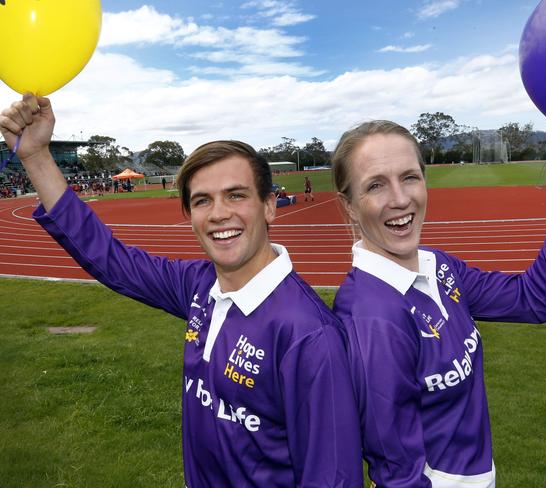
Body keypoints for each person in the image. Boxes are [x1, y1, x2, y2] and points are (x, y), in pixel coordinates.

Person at [0, 93, 363, 488]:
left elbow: (334, 478)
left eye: (236, 195)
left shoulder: (310, 335)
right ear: (190, 216)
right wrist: (36, 156)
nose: (220, 213)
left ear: (270, 206)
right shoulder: (198, 285)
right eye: (203, 201)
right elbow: (108, 258)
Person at [330, 120, 546, 487]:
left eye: (410, 177)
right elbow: (397, 471)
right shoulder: (371, 317)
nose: (400, 199)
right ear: (349, 206)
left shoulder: (438, 265)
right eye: (376, 185)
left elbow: (536, 299)